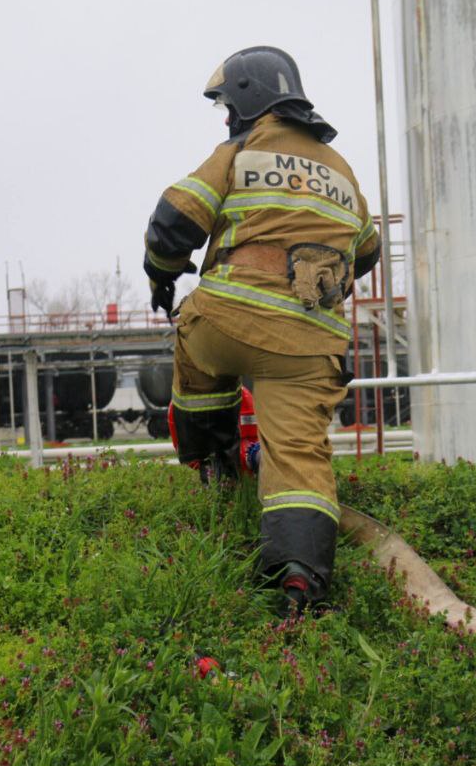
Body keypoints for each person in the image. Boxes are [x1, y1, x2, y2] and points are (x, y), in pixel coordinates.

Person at [143, 45, 381, 617]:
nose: (227, 117)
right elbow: (367, 251)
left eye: (228, 105)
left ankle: (214, 463)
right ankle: (299, 584)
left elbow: (173, 219)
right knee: (299, 456)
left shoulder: (239, 150)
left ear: (249, 99)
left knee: (196, 353)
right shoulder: (342, 170)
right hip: (311, 341)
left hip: (230, 317)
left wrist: (161, 277)